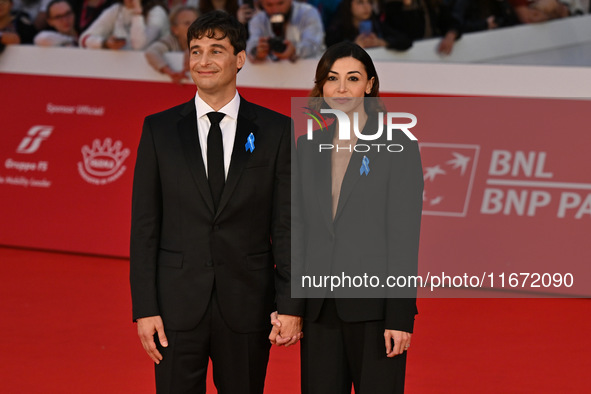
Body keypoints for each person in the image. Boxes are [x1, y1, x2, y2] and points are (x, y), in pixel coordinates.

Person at [130, 10, 304, 394]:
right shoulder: (158, 130)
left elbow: (288, 225)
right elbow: (144, 225)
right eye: (195, 51)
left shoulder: (275, 131)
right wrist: (144, 308)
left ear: (239, 59)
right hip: (175, 307)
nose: (203, 61)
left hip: (247, 305)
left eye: (216, 50)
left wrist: (291, 304)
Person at [273, 41, 423, 393]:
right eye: (332, 79)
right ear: (321, 87)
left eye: (352, 78)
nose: (341, 89)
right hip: (319, 309)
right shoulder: (308, 147)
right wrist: (290, 308)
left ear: (369, 85)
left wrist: (400, 317)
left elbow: (404, 235)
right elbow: (298, 230)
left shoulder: (398, 146)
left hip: (375, 311)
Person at [246, 0, 324, 62]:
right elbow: (251, 45)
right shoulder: (258, 20)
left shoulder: (308, 13)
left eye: (280, 3)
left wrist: (295, 50)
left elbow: (314, 45)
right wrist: (257, 51)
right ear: (261, 4)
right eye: (269, 4)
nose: (275, 10)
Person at [79, 0, 168, 50]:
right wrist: (105, 43)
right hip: (119, 70)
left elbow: (139, 46)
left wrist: (137, 12)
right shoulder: (116, 10)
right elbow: (83, 39)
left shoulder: (157, 12)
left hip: (150, 73)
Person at [325, 0, 412, 50]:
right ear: (348, 6)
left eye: (369, 2)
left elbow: (405, 41)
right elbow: (329, 52)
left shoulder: (377, 25)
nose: (366, 7)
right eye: (360, 2)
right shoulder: (337, 29)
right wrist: (353, 46)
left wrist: (382, 42)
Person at [144, 4, 198, 83]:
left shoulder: (207, 39)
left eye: (196, 23)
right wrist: (170, 72)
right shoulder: (171, 40)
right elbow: (151, 52)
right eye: (187, 23)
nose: (193, 27)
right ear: (174, 29)